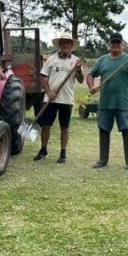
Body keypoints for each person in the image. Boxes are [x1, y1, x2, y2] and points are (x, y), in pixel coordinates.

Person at [86, 32, 128, 170]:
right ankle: (102, 160)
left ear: (123, 45)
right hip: (105, 103)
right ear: (109, 45)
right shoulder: (102, 60)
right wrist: (91, 86)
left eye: (118, 43)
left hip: (123, 103)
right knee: (103, 130)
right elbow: (90, 75)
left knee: (127, 130)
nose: (115, 45)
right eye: (113, 43)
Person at [33, 32, 84, 163]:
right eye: (63, 43)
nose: (65, 45)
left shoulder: (76, 61)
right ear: (59, 45)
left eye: (68, 43)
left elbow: (80, 79)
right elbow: (42, 77)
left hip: (66, 100)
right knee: (46, 125)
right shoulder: (51, 59)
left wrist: (78, 69)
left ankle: (63, 153)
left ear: (71, 46)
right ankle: (43, 150)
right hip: (50, 98)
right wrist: (49, 92)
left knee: (64, 127)